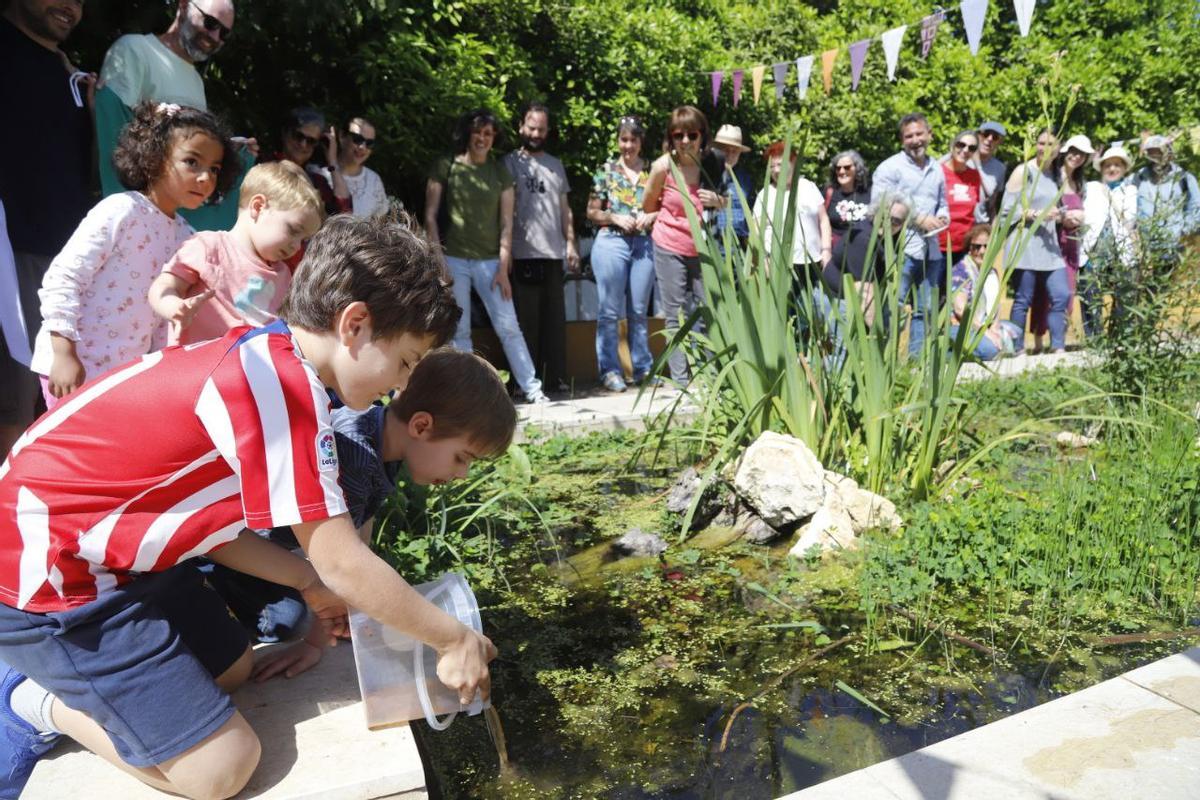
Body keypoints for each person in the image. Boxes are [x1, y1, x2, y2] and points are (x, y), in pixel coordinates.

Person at [0, 216, 494, 800]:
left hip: (122, 552)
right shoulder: (281, 392)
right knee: (221, 769)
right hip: (53, 578)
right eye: (407, 361)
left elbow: (210, 528)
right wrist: (451, 639)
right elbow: (344, 561)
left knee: (236, 668)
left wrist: (305, 582)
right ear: (355, 325)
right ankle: (30, 697)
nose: (399, 385)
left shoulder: (271, 361)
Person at [250, 349, 517, 680]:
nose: (462, 474)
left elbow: (359, 543)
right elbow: (341, 570)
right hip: (242, 555)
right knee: (288, 620)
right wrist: (316, 644)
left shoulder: (377, 442)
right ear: (421, 425)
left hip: (286, 551)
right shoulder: (354, 456)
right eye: (462, 458)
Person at [31, 103, 240, 410]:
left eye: (214, 169)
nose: (205, 177)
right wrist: (63, 351)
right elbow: (64, 277)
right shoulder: (120, 210)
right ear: (154, 157)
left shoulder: (187, 237)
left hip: (122, 382)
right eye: (192, 162)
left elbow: (161, 324)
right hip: (73, 368)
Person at [0, 0, 95, 458]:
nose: (72, 7)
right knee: (12, 401)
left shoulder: (69, 74)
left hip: (67, 264)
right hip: (11, 251)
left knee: (59, 405)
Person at [95, 0, 254, 232]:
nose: (215, 36)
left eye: (224, 33)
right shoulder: (134, 49)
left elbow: (189, 147)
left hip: (171, 224)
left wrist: (227, 148)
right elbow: (112, 128)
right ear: (182, 7)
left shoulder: (196, 81)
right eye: (210, 23)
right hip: (135, 217)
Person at [425, 108, 547, 404]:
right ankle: (467, 395)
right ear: (468, 133)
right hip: (453, 258)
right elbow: (429, 216)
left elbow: (507, 223)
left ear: (494, 139)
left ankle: (533, 389)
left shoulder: (499, 173)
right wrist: (439, 263)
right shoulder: (446, 166)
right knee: (460, 330)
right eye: (478, 132)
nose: (482, 138)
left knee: (509, 326)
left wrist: (504, 267)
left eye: (488, 134)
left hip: (492, 262)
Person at [148, 160, 325, 346]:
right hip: (201, 368)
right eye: (294, 230)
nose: (297, 247)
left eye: (303, 239)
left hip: (247, 371)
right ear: (258, 207)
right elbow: (164, 285)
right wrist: (172, 306)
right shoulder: (209, 247)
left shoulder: (283, 274)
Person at [643, 105, 723, 385]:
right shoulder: (662, 167)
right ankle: (681, 380)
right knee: (676, 313)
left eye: (692, 134)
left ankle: (709, 376)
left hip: (702, 247)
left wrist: (718, 201)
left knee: (707, 310)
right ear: (670, 137)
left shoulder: (713, 161)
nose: (685, 141)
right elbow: (648, 204)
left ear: (703, 136)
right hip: (670, 244)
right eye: (678, 135)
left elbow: (724, 200)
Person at [504, 102, 580, 394]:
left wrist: (571, 242)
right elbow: (504, 212)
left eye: (541, 129)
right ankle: (525, 382)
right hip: (522, 254)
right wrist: (506, 251)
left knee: (554, 322)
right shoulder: (509, 163)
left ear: (547, 131)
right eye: (531, 127)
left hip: (552, 253)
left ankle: (556, 378)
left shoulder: (555, 164)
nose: (535, 133)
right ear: (521, 126)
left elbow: (565, 209)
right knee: (525, 322)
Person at [586, 116, 657, 393]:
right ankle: (610, 371)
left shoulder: (653, 171)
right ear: (618, 141)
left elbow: (665, 205)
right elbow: (591, 212)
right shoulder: (606, 170)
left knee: (639, 310)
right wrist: (614, 217)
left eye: (633, 140)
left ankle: (643, 368)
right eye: (623, 139)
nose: (628, 145)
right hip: (611, 242)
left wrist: (651, 215)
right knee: (609, 311)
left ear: (641, 142)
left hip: (643, 244)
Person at [871, 112, 950, 356]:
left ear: (929, 135)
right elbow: (879, 205)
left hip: (932, 250)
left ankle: (916, 362)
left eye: (919, 134)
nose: (915, 140)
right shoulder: (890, 168)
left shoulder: (937, 167)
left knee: (925, 309)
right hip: (901, 250)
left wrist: (943, 216)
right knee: (892, 307)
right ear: (902, 140)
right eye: (909, 136)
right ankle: (884, 360)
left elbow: (942, 202)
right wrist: (917, 218)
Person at [1002, 131, 1070, 354]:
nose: (1044, 148)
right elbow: (1006, 211)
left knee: (1061, 294)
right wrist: (1036, 213)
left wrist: (1061, 216)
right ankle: (1018, 348)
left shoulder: (1056, 174)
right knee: (1023, 299)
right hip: (1025, 244)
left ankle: (1058, 347)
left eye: (1050, 144)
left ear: (1058, 149)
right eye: (1041, 143)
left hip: (1049, 247)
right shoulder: (1023, 171)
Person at [1029, 134, 1091, 352]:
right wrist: (1061, 218)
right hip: (1051, 242)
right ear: (1065, 151)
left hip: (1071, 244)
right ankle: (1037, 342)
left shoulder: (1080, 182)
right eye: (1073, 151)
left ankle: (1059, 342)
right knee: (1043, 293)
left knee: (1067, 293)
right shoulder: (1052, 177)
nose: (1077, 156)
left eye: (1082, 153)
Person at [752, 141, 833, 294]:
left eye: (780, 165)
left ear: (793, 163)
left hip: (813, 264)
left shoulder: (809, 187)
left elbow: (823, 221)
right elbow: (756, 232)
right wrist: (763, 260)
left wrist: (826, 250)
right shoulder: (765, 194)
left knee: (813, 312)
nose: (776, 170)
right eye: (772, 166)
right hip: (778, 264)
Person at [1080, 145, 1139, 336]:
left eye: (1117, 165)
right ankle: (1093, 338)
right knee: (1090, 294)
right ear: (1102, 168)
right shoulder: (1091, 187)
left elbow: (1130, 218)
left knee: (1124, 295)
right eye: (1108, 165)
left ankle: (1118, 337)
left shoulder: (1130, 190)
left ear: (1123, 169)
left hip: (1121, 250)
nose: (1112, 169)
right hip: (1093, 249)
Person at [949, 223, 1022, 360]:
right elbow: (960, 310)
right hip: (963, 326)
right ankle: (947, 355)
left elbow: (996, 305)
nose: (981, 251)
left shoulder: (992, 272)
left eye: (986, 246)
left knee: (1016, 331)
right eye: (976, 247)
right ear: (969, 249)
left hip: (984, 323)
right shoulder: (961, 271)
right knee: (990, 350)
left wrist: (994, 327)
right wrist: (986, 332)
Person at [1134, 134, 1200, 272]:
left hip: (1176, 248)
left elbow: (1195, 208)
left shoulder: (1184, 178)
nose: (1156, 157)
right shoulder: (1138, 178)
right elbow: (1124, 203)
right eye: (1152, 153)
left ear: (1169, 153)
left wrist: (1183, 231)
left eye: (1160, 152)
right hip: (1144, 250)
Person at [320, 117, 391, 220]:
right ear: (342, 137)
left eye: (369, 143)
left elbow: (381, 220)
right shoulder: (319, 174)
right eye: (358, 139)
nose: (363, 147)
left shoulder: (374, 180)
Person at [709, 124, 756, 253]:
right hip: (708, 246)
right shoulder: (702, 175)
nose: (729, 154)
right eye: (724, 149)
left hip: (737, 249)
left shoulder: (745, 179)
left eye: (734, 150)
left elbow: (751, 214)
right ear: (714, 149)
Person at [940, 130, 984, 265]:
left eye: (971, 148)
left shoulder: (974, 176)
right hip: (938, 248)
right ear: (953, 145)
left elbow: (973, 212)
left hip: (963, 248)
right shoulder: (938, 172)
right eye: (961, 145)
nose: (965, 150)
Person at [823, 150, 871, 248]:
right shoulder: (829, 192)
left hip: (864, 249)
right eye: (838, 168)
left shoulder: (870, 191)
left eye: (847, 167)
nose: (842, 171)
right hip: (836, 251)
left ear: (857, 169)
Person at [974, 121, 1008, 222]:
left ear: (999, 142)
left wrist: (994, 233)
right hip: (957, 224)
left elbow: (992, 205)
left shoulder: (1000, 168)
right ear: (978, 136)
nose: (989, 139)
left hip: (980, 227)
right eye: (986, 134)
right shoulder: (962, 157)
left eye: (995, 137)